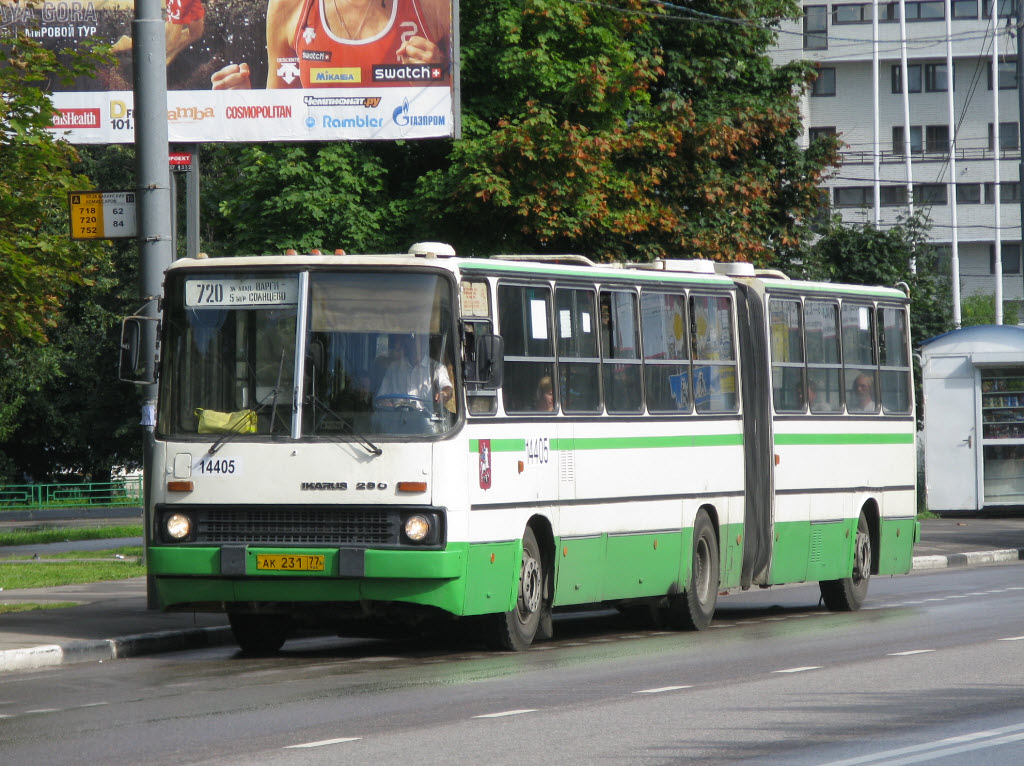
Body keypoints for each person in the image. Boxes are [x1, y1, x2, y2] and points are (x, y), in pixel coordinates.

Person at [211, 0, 450, 89]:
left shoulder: (432, 5)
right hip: (319, 174)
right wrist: (241, 104)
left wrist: (436, 78)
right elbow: (280, 118)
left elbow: (467, 108)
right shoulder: (288, 5)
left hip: (406, 168)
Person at [375, 333, 452, 411]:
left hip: (426, 420)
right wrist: (384, 403)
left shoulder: (437, 368)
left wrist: (444, 394)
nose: (417, 346)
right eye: (414, 342)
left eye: (421, 342)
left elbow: (447, 388)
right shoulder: (394, 368)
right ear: (408, 343)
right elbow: (382, 397)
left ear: (426, 345)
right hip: (397, 418)